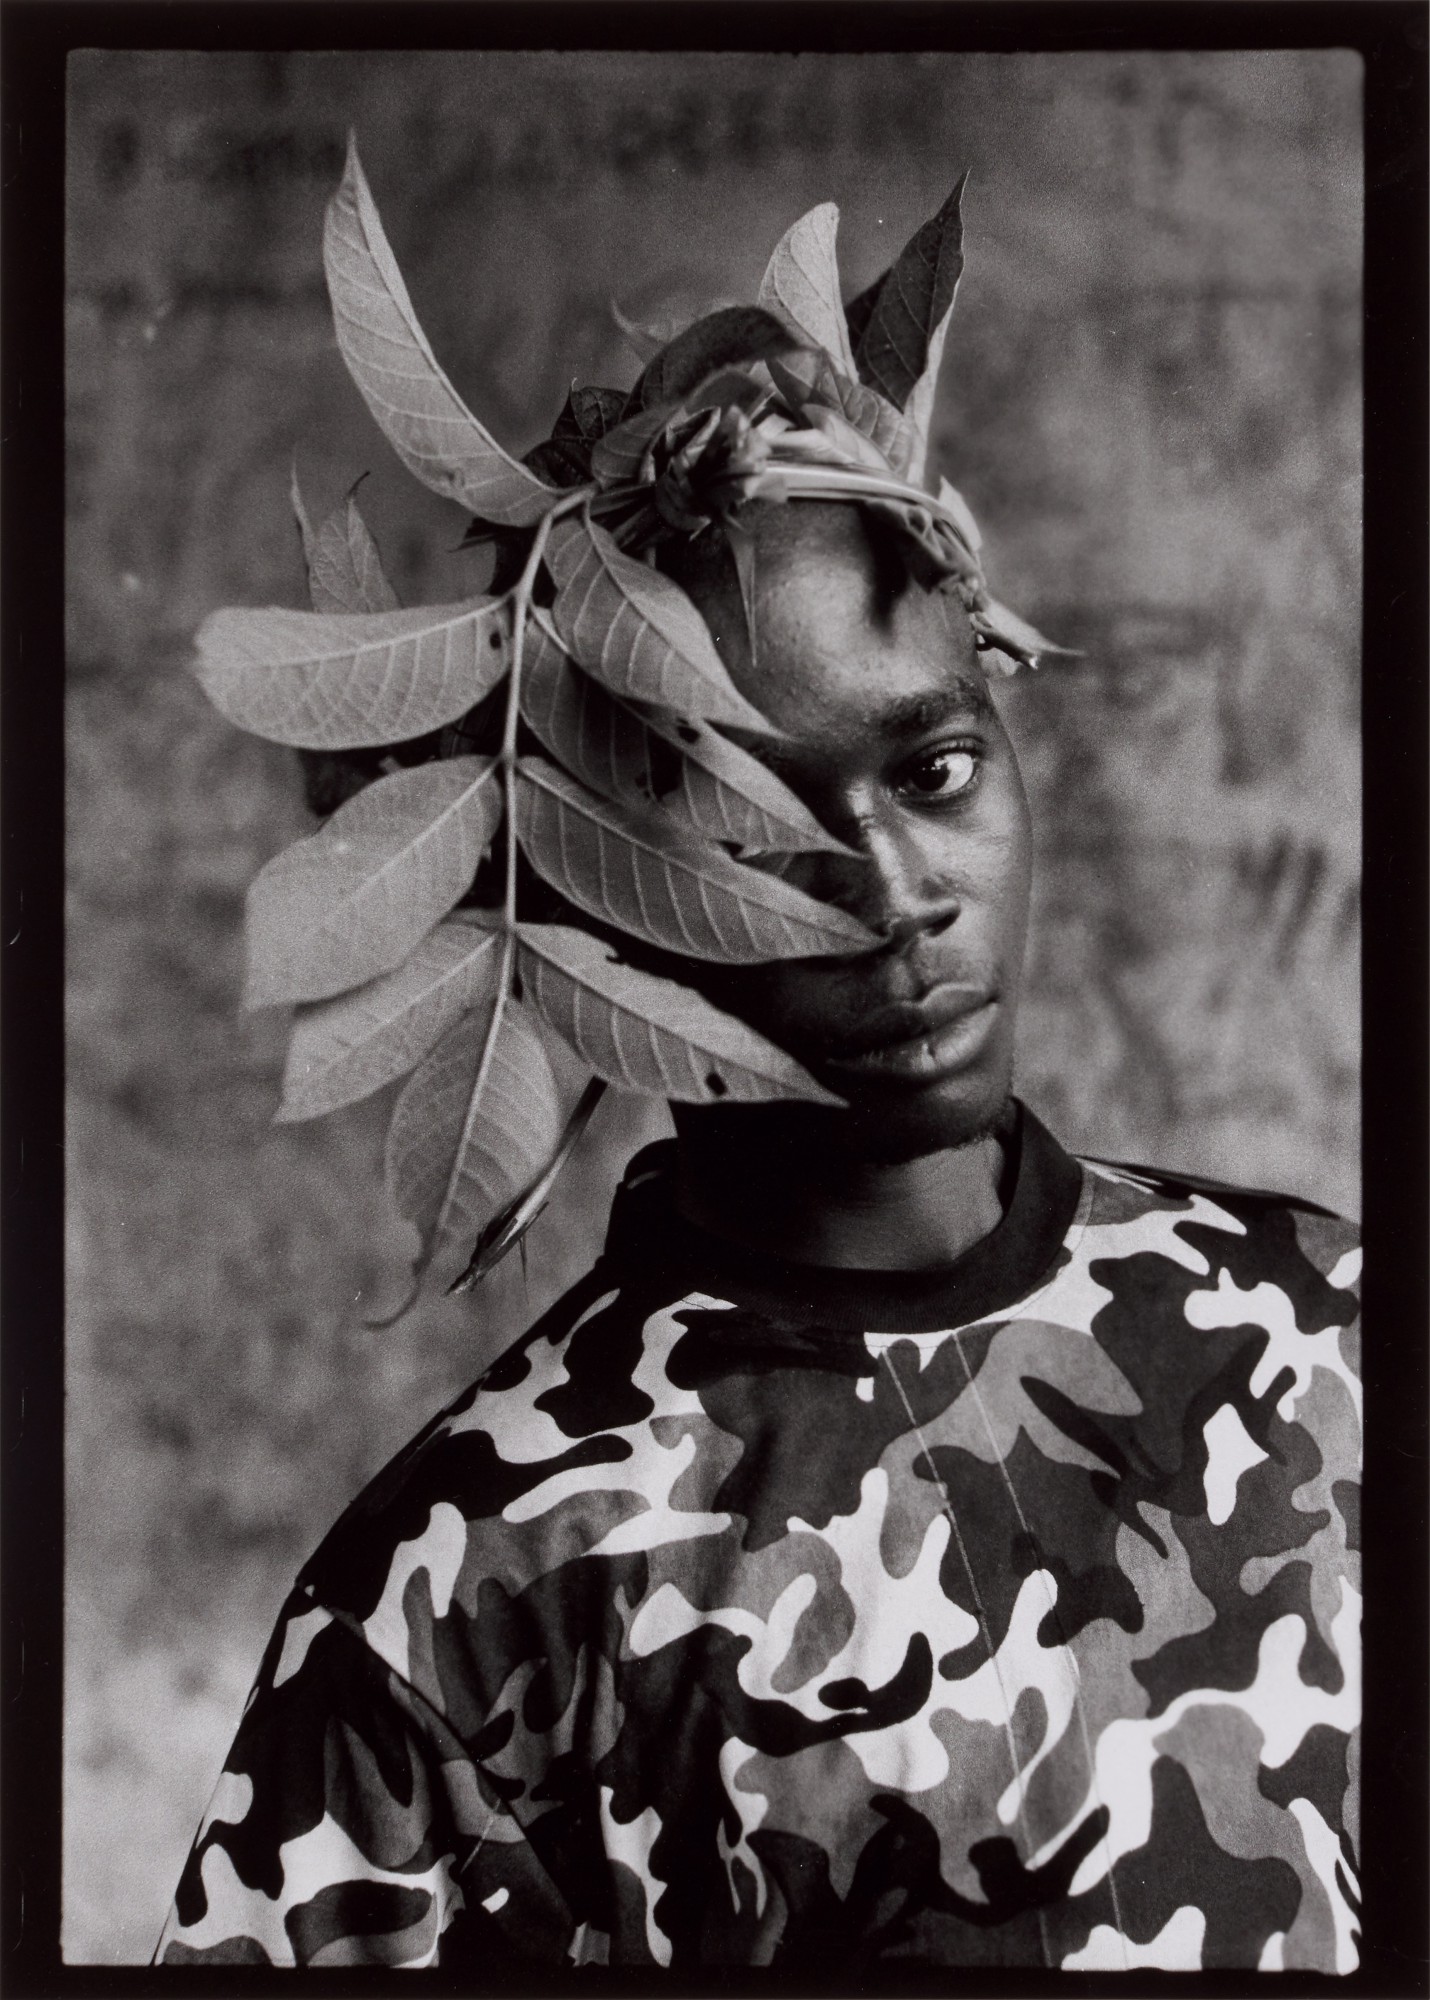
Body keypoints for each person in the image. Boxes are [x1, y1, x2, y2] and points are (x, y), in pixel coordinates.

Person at [157, 161, 1360, 1974]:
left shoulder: (1332, 1339)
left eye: (936, 771)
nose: (892, 903)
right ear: (591, 893)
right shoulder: (463, 1606)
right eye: (756, 836)